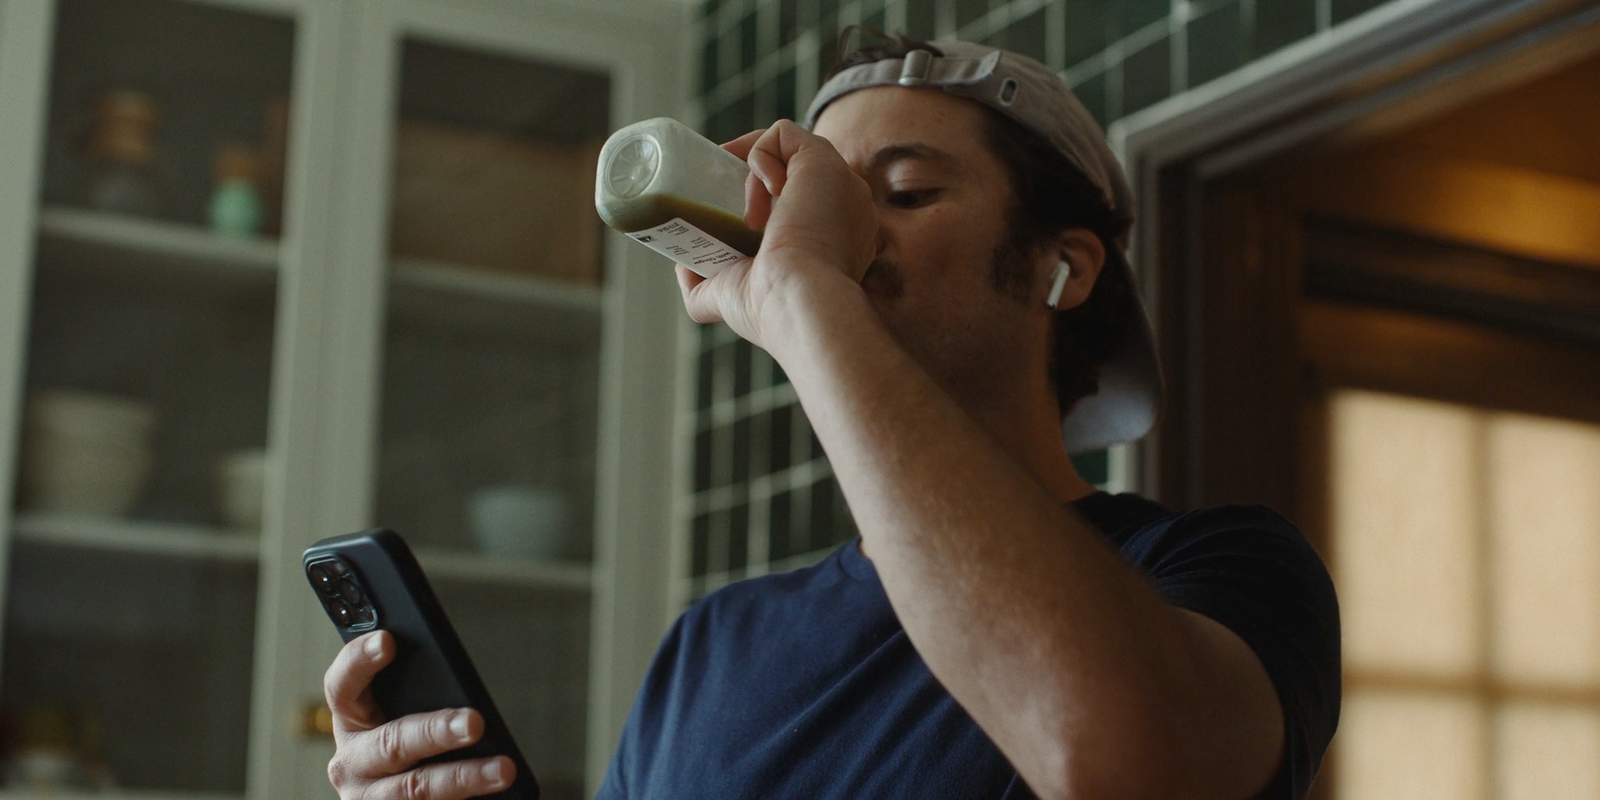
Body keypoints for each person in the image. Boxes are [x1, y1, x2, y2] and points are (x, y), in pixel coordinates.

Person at [321, 35, 1340, 800]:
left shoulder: (1217, 572)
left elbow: (1107, 751)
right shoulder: (710, 644)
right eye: (823, 204)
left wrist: (806, 288)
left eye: (900, 192)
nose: (840, 237)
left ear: (1061, 265)